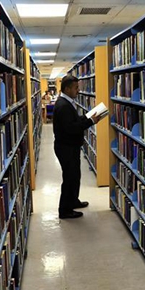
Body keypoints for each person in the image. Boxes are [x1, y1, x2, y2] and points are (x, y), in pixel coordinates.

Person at [52, 75, 102, 219]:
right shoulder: (63, 106)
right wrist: (90, 121)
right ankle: (65, 210)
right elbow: (71, 128)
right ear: (67, 89)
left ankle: (73, 201)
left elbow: (73, 121)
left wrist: (87, 117)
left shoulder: (67, 102)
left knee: (75, 176)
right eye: (76, 88)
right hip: (66, 147)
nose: (78, 90)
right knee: (69, 178)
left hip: (71, 147)